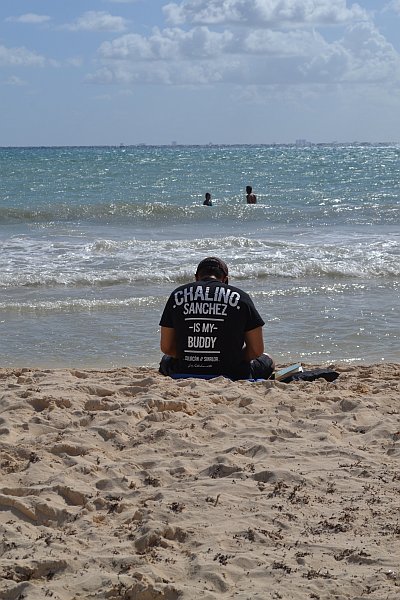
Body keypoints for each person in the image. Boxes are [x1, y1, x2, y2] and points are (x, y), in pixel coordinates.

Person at [159, 257, 275, 380]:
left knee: (166, 360)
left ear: (196, 277)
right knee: (268, 360)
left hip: (187, 368)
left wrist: (191, 356)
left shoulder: (177, 295)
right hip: (230, 370)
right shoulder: (241, 298)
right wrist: (232, 357)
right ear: (225, 279)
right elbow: (256, 350)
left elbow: (167, 347)